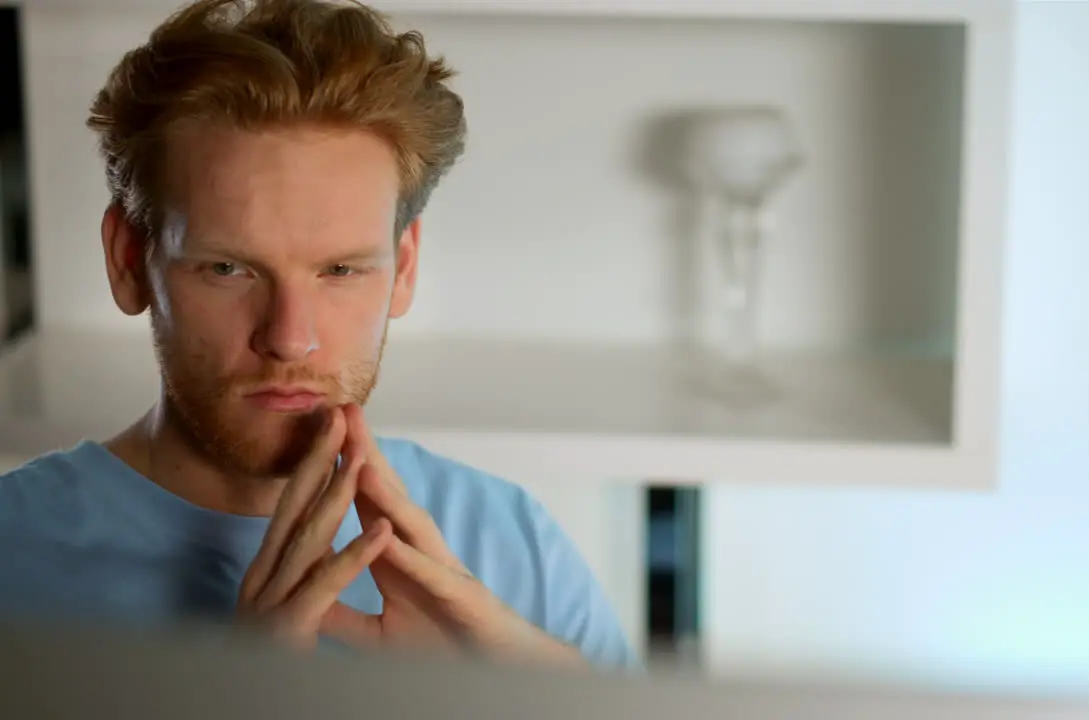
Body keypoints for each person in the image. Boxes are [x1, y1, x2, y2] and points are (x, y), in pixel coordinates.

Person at [0, 0, 637, 669]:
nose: (289, 339)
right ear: (129, 262)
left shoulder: (515, 545)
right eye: (228, 268)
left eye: (340, 270)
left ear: (404, 269)